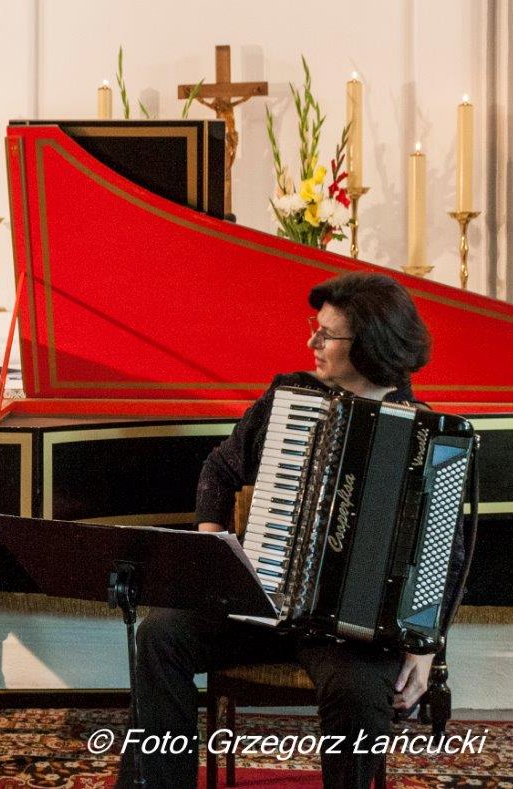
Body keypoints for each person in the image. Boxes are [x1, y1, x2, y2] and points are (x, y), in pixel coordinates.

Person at [119, 272, 464, 789]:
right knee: (159, 636)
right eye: (314, 328)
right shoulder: (291, 395)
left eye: (327, 334)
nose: (312, 343)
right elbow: (220, 470)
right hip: (261, 603)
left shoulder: (425, 434)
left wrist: (425, 647)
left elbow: (446, 555)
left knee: (357, 696)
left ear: (369, 345)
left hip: (351, 635)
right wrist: (215, 546)